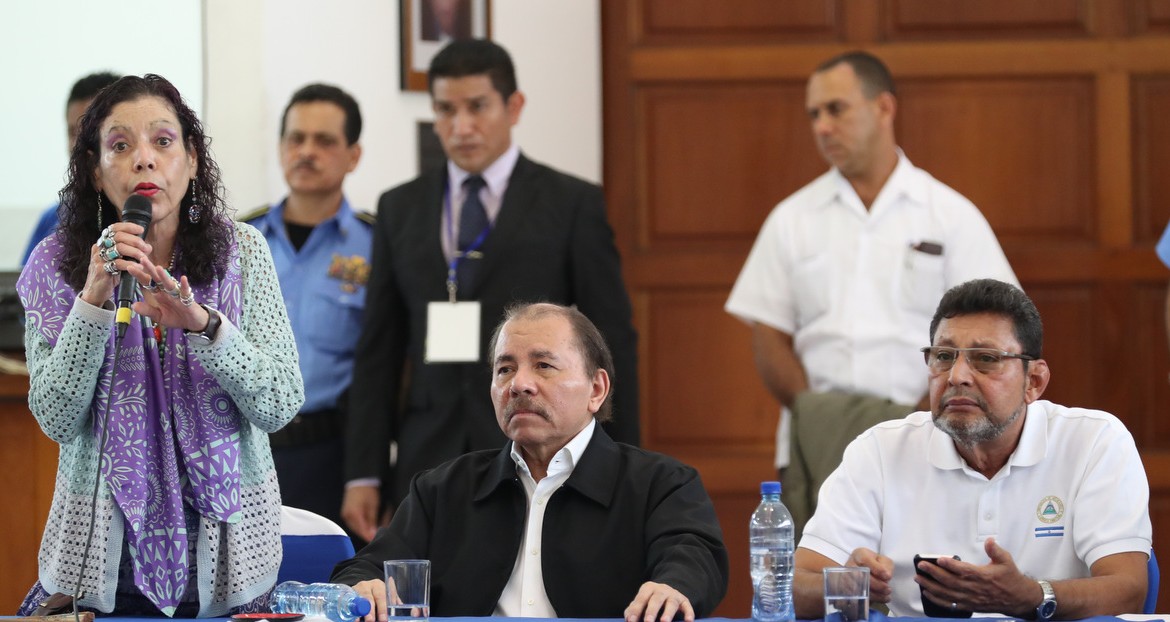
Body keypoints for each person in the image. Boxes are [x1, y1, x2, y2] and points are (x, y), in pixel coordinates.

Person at [16, 74, 304, 617]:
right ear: (96, 172)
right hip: (97, 567)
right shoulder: (54, 266)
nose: (144, 159)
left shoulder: (244, 253)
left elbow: (280, 401)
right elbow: (55, 418)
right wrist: (93, 299)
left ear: (192, 160)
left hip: (229, 563)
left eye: (163, 141)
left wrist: (204, 326)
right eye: (120, 146)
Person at [343, 38, 640, 542]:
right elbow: (379, 350)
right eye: (446, 110)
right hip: (429, 448)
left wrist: (621, 460)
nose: (461, 127)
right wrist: (364, 472)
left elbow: (611, 342)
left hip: (543, 444)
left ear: (513, 107)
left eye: (477, 107)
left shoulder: (571, 203)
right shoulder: (400, 207)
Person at [724, 50, 1018, 536]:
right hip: (814, 441)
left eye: (836, 109)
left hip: (932, 434)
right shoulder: (792, 218)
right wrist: (817, 416)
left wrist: (928, 417)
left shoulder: (950, 214)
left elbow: (998, 328)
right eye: (814, 114)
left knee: (927, 571)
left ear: (884, 108)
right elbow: (768, 333)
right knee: (820, 573)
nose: (822, 127)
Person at [332, 302, 727, 621]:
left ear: (596, 389)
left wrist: (673, 585)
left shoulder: (660, 483)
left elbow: (695, 557)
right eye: (505, 369)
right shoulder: (443, 488)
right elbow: (364, 568)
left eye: (544, 366)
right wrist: (363, 586)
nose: (519, 384)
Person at [792, 278, 1152, 618]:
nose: (957, 376)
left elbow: (1129, 589)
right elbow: (792, 587)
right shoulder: (880, 451)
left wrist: (1031, 596)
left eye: (986, 358)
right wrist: (846, 585)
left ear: (1034, 381)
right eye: (943, 356)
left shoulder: (1094, 442)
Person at [239, 83, 370, 528]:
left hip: (333, 454)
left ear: (353, 155)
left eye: (325, 140)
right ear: (280, 147)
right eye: (296, 138)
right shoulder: (239, 240)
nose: (307, 151)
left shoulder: (376, 244)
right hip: (246, 447)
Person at [21, 71, 121, 265]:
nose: (78, 144)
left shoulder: (153, 216)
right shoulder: (53, 219)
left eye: (89, 131)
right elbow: (23, 281)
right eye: (72, 132)